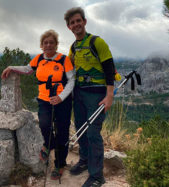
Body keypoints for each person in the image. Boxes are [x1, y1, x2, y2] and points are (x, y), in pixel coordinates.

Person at [1, 29, 75, 180]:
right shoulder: (39, 58)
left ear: (56, 45)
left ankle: (60, 164)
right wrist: (12, 67)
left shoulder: (63, 60)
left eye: (51, 42)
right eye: (45, 43)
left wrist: (61, 97)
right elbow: (28, 69)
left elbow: (72, 80)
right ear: (41, 45)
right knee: (44, 124)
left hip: (62, 101)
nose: (48, 45)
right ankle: (49, 144)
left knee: (62, 132)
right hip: (44, 99)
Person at [64, 7, 115, 187]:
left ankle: (97, 176)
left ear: (84, 22)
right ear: (69, 27)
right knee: (81, 129)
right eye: (72, 23)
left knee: (93, 133)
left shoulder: (97, 42)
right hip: (79, 94)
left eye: (78, 21)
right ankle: (85, 160)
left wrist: (110, 96)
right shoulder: (74, 47)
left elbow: (109, 69)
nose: (76, 24)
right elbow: (69, 69)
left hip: (97, 94)